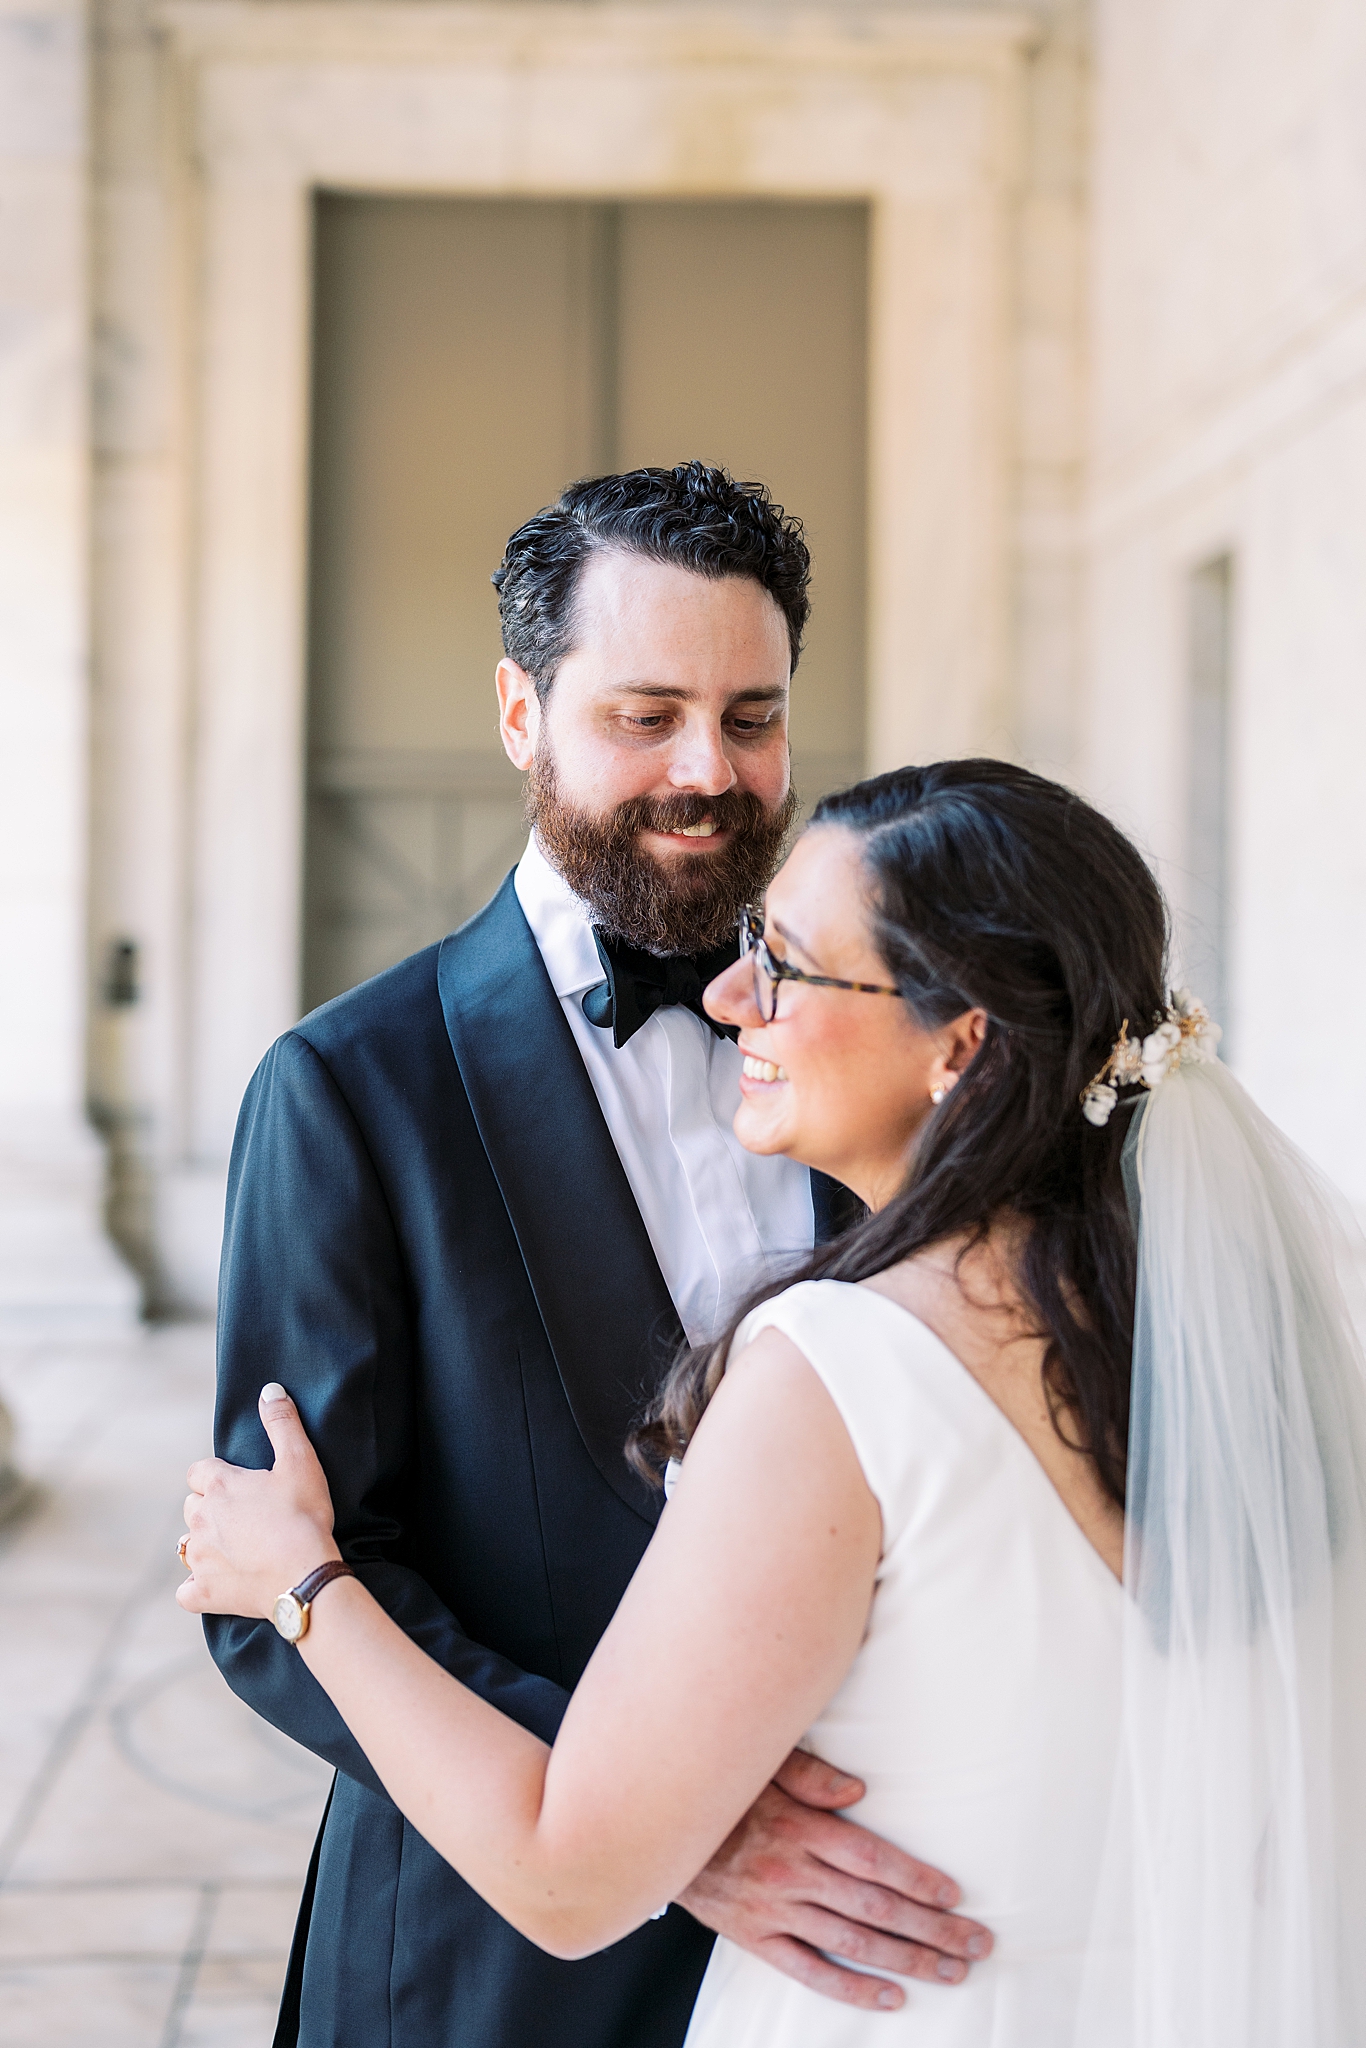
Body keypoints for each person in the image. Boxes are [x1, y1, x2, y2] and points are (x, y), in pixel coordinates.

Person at [185, 758, 1366, 2046]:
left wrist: (305, 1587)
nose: (735, 993)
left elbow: (568, 1877)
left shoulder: (838, 1369)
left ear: (959, 1044)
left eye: (791, 966)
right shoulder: (1230, 1346)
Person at [204, 463, 989, 2048]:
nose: (709, 769)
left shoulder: (893, 1047)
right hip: (491, 1960)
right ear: (520, 714)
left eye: (751, 717)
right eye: (645, 715)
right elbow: (281, 1583)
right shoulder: (348, 1091)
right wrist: (660, 1820)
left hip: (863, 1942)